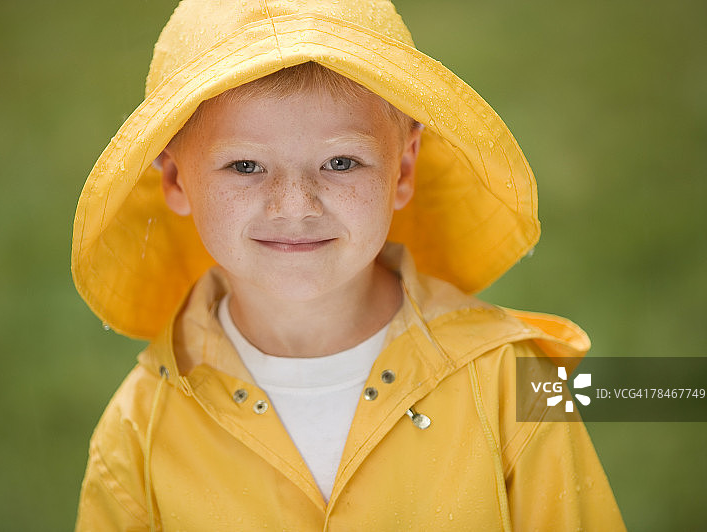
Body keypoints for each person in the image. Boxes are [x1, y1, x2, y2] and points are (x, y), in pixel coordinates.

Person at [72, 0, 626, 530]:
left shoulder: (512, 377)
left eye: (341, 162)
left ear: (404, 167)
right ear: (173, 179)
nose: (295, 204)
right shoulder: (138, 430)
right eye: (245, 165)